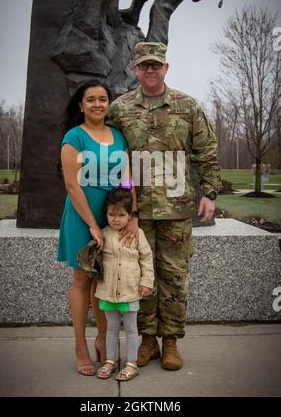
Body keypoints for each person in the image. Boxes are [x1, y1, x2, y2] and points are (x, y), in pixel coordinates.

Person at [107, 42, 221, 370]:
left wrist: (209, 194)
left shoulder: (187, 106)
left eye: (156, 65)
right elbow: (109, 150)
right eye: (144, 65)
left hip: (177, 207)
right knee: (138, 274)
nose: (150, 70)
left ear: (166, 68)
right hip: (136, 210)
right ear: (135, 70)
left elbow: (208, 150)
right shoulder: (121, 108)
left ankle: (170, 342)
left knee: (174, 275)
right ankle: (146, 341)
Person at [57, 80, 138, 376]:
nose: (97, 104)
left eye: (102, 99)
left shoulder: (118, 137)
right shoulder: (74, 137)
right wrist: (92, 225)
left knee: (102, 283)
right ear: (81, 105)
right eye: (90, 99)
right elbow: (71, 183)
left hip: (112, 215)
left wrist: (133, 214)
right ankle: (80, 346)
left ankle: (103, 342)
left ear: (108, 104)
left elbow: (127, 179)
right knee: (82, 280)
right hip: (83, 217)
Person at [95, 187, 154, 381]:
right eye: (111, 214)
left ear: (130, 216)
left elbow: (146, 258)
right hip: (108, 291)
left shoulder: (138, 234)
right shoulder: (103, 234)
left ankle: (131, 363)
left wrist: (147, 282)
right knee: (111, 327)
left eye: (121, 214)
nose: (116, 219)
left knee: (130, 327)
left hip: (130, 290)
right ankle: (110, 361)